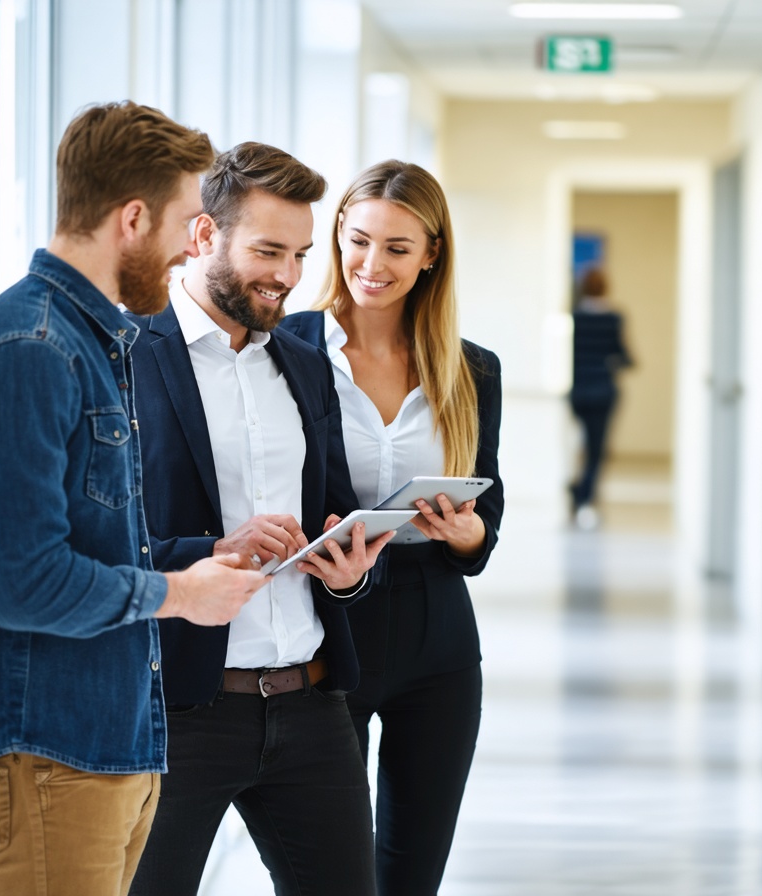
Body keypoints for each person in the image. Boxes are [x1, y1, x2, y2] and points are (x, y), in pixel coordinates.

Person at [0, 101, 271, 896]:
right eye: (189, 223)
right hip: (53, 748)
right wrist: (183, 595)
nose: (198, 247)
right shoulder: (30, 351)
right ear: (132, 217)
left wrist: (200, 564)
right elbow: (24, 583)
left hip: (110, 740)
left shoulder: (93, 341)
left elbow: (93, 545)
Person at [126, 142, 393, 896]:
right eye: (268, 251)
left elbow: (334, 511)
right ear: (203, 235)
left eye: (302, 255)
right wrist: (212, 548)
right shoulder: (124, 354)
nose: (287, 276)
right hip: (182, 712)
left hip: (310, 704)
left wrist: (348, 570)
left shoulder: (304, 366)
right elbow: (90, 537)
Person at [281, 159, 505, 896]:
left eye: (398, 248)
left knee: (412, 876)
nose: (371, 265)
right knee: (329, 877)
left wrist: (467, 535)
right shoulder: (288, 352)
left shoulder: (471, 370)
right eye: (357, 240)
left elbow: (489, 510)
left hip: (437, 640)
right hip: (324, 635)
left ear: (432, 253)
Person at [567, 266, 633, 529]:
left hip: (578, 391)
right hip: (603, 391)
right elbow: (625, 355)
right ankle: (583, 496)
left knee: (581, 444)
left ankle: (578, 487)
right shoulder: (614, 318)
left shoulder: (574, 318)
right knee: (596, 450)